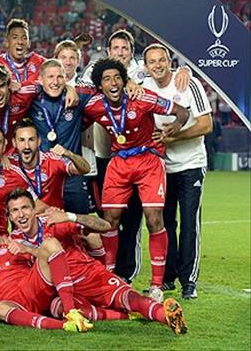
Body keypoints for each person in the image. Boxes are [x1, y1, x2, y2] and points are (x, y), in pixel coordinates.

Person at [81, 30, 190, 283]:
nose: (113, 83)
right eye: (107, 79)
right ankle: (109, 278)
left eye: (117, 78)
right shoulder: (94, 105)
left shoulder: (141, 97)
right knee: (109, 220)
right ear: (100, 85)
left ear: (124, 79)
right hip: (118, 162)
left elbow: (182, 112)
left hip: (148, 160)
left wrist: (174, 128)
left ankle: (156, 284)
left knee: (153, 218)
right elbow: (78, 115)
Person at [6, 189, 188, 335]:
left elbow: (104, 226)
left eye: (25, 208)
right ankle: (126, 316)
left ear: (34, 209)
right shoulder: (14, 242)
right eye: (15, 211)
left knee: (130, 298)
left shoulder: (53, 222)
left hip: (90, 276)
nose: (21, 214)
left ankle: (166, 316)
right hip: (63, 290)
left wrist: (70, 216)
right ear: (10, 217)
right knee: (58, 308)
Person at [142, 44, 212, 299]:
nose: (157, 65)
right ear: (146, 66)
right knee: (166, 223)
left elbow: (206, 124)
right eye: (152, 61)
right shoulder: (143, 85)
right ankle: (168, 277)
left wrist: (175, 137)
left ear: (169, 61)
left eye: (162, 60)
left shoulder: (188, 83)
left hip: (191, 164)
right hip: (160, 166)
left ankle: (189, 282)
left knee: (189, 223)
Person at [0, 210, 91, 332]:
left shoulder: (12, 243)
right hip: (13, 304)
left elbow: (46, 255)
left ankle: (70, 312)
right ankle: (64, 325)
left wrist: (27, 249)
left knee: (50, 243)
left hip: (33, 289)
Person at [27, 59, 97, 213]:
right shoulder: (31, 99)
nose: (55, 82)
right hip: (43, 175)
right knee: (43, 222)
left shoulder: (77, 97)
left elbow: (104, 86)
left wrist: (70, 88)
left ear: (65, 79)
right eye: (50, 77)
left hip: (72, 171)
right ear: (40, 80)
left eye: (60, 77)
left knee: (79, 222)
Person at [7, 119, 91, 211]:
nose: (27, 146)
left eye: (31, 140)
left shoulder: (52, 160)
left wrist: (69, 154)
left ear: (39, 141)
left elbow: (85, 169)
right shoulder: (9, 164)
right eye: (21, 140)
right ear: (14, 142)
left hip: (53, 217)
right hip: (23, 218)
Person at [0, 18, 46, 84]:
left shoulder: (40, 62)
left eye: (24, 38)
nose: (20, 42)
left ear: (29, 44)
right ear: (7, 42)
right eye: (15, 37)